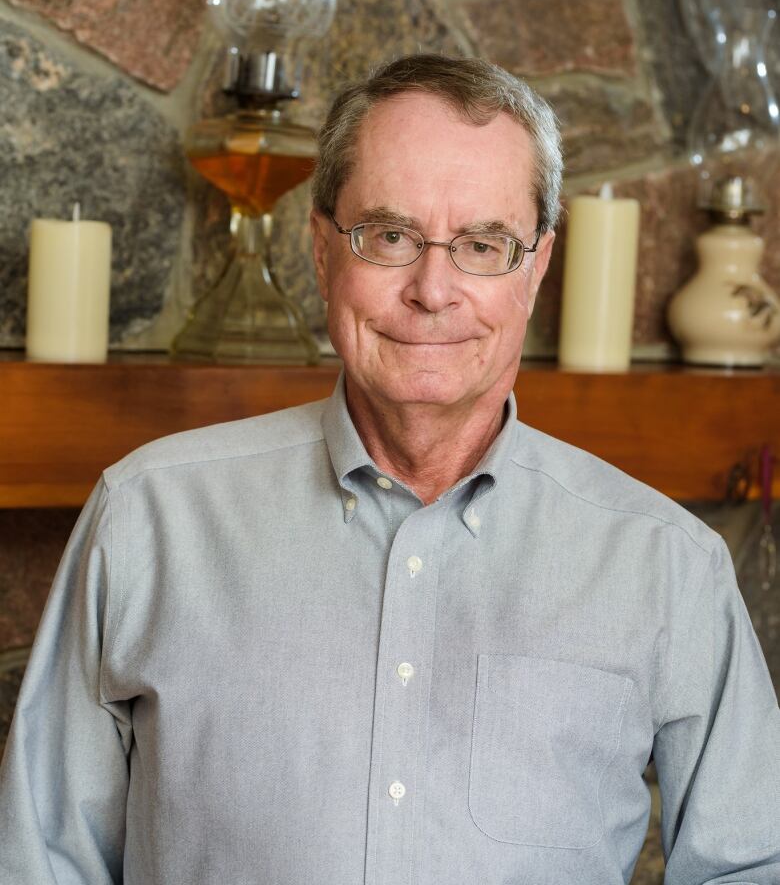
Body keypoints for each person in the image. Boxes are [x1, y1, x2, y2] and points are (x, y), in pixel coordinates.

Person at [1, 53, 778, 884]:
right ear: (322, 250)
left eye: (484, 244)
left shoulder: (667, 564)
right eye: (391, 236)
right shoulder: (149, 515)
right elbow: (41, 862)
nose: (433, 289)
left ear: (538, 266)